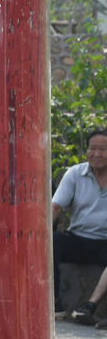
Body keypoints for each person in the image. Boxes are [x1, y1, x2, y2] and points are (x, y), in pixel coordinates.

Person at [54, 131, 107, 324]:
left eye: (103, 149)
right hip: (78, 239)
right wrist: (38, 236)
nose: (97, 153)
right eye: (93, 148)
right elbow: (56, 207)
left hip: (105, 243)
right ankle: (55, 303)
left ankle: (90, 306)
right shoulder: (75, 173)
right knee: (52, 240)